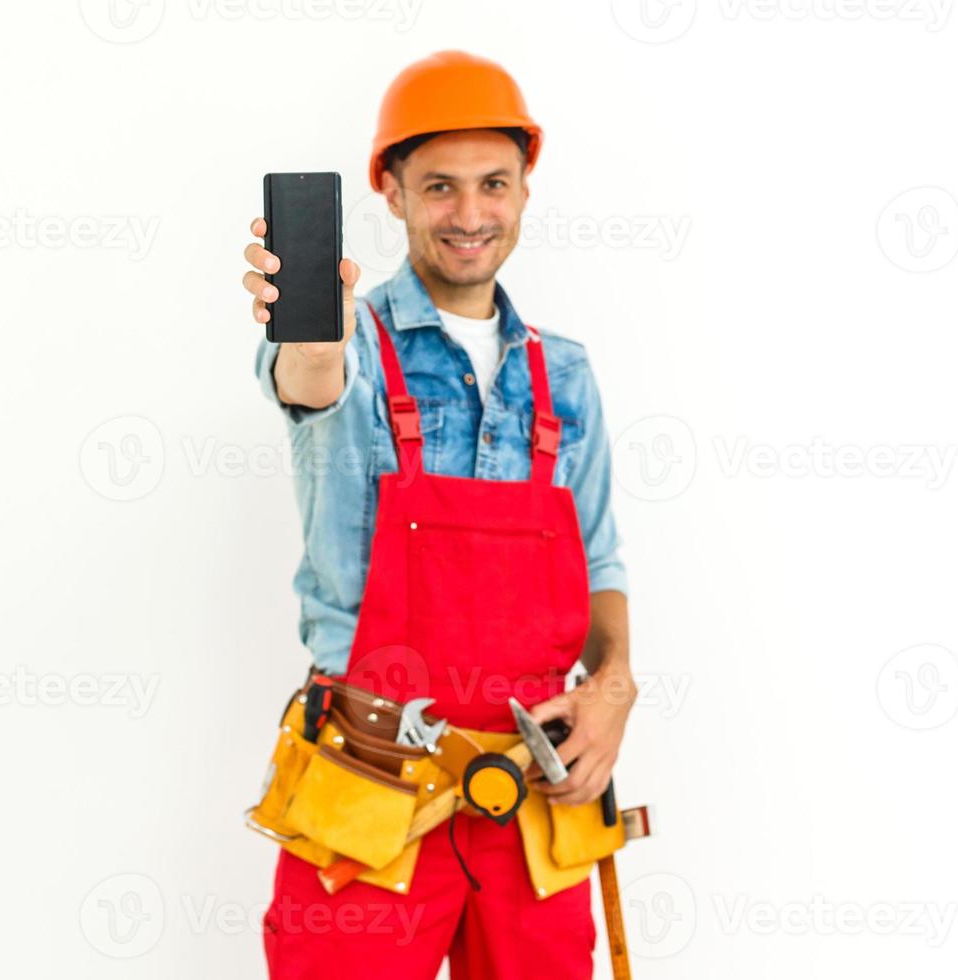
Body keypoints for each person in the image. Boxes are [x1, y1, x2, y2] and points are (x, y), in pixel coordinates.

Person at [242, 50, 636, 979]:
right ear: (392, 193)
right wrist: (305, 329)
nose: (469, 214)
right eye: (440, 187)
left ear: (525, 188)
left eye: (493, 184)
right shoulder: (353, 345)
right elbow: (309, 381)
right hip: (369, 794)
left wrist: (614, 686)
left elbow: (602, 563)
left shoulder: (565, 375)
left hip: (532, 804)